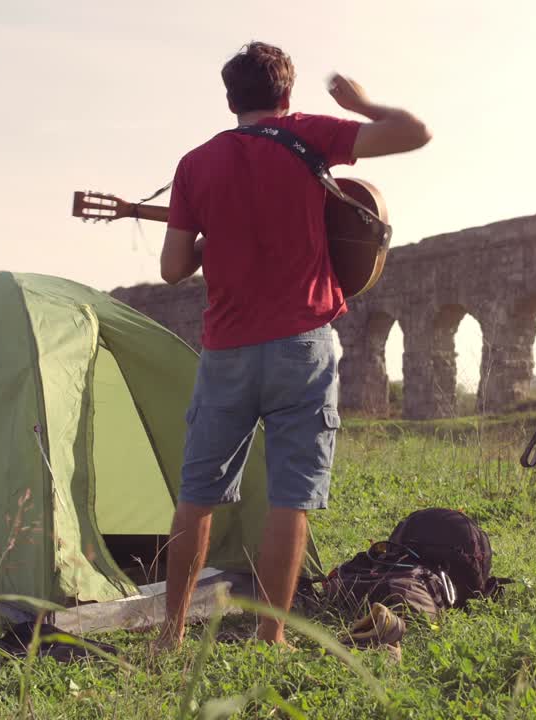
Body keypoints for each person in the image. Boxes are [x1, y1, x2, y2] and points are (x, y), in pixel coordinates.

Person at [153, 41, 431, 651]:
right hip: (302, 346)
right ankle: (270, 635)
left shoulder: (196, 163)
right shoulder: (311, 137)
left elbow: (174, 266)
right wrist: (362, 104)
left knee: (197, 497)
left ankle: (170, 635)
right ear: (286, 94)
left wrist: (210, 239)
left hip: (226, 349)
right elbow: (414, 133)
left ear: (230, 100)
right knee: (289, 498)